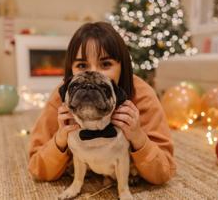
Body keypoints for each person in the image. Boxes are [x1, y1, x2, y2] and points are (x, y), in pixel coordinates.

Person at [28, 22, 176, 185]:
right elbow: (37, 167)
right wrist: (60, 140)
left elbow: (164, 172)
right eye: (82, 66)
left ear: (123, 67)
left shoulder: (142, 97)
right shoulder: (60, 98)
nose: (93, 74)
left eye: (105, 64)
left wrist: (138, 138)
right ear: (71, 71)